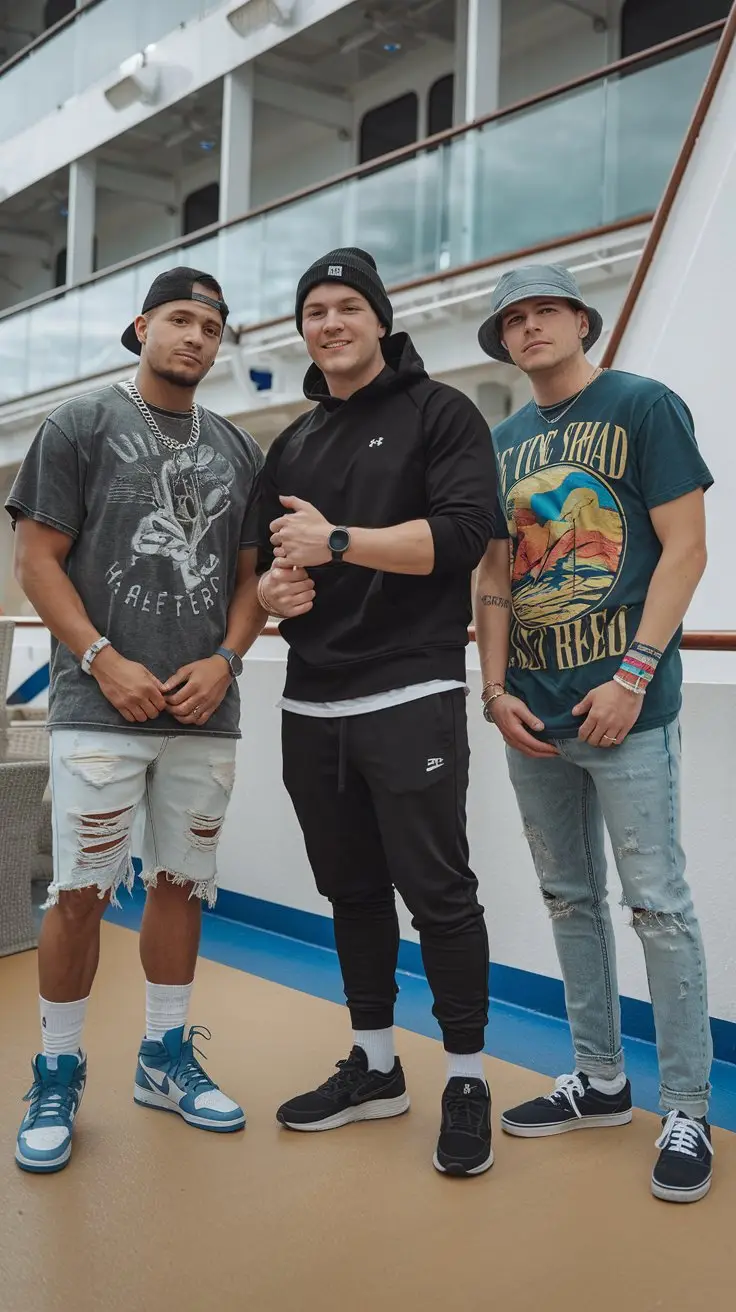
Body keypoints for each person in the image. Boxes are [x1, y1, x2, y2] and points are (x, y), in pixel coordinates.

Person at [6, 267, 266, 1173]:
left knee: (182, 882)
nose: (197, 336)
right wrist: (100, 659)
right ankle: (57, 1068)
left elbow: (248, 583)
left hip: (205, 704)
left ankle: (163, 1059)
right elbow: (37, 559)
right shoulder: (80, 424)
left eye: (213, 325)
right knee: (78, 889)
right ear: (141, 326)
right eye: (181, 319)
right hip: (99, 703)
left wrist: (226, 661)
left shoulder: (237, 446)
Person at [256, 247, 505, 1176]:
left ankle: (470, 1078)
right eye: (315, 309)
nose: (331, 322)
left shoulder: (441, 413)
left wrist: (339, 541)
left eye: (348, 306)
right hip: (313, 698)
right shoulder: (293, 441)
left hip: (412, 687)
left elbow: (462, 537)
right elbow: (274, 568)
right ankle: (375, 1066)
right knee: (350, 891)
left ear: (380, 319)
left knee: (438, 893)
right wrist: (280, 589)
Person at [474, 262, 714, 1203]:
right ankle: (602, 1080)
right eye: (514, 320)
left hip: (627, 705)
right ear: (502, 342)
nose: (530, 328)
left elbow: (686, 550)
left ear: (581, 320)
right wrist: (493, 690)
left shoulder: (643, 406)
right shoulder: (500, 443)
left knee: (656, 900)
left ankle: (686, 1104)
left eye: (546, 311)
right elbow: (493, 574)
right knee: (568, 896)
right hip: (532, 708)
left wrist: (633, 675)